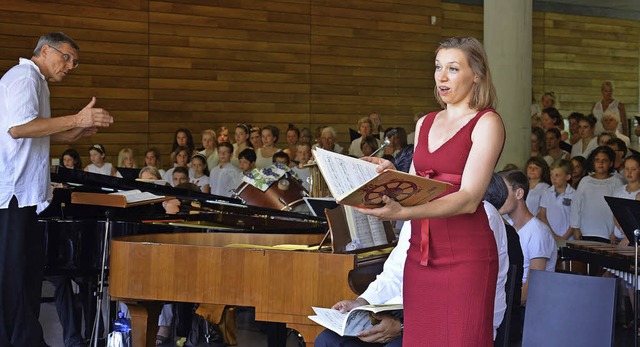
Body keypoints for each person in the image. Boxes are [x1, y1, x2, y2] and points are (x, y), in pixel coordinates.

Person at [357, 36, 504, 346]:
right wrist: (387, 175)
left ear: (476, 74)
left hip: (467, 259)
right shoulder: (424, 123)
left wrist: (405, 213)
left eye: (453, 68)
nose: (442, 76)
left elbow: (469, 198)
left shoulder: (487, 122)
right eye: (438, 67)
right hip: (421, 257)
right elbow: (414, 188)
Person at [0, 32, 112, 347]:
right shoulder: (24, 77)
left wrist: (76, 130)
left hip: (28, 197)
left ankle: (25, 339)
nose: (71, 66)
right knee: (14, 280)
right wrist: (75, 117)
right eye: (67, 58)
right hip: (14, 197)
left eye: (75, 62)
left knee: (27, 278)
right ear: (46, 51)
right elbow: (19, 128)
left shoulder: (38, 82)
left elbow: (40, 132)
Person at [315, 173, 514, 346]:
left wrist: (401, 326)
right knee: (329, 341)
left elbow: (466, 296)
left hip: (451, 323)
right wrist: (361, 303)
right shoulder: (418, 212)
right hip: (404, 315)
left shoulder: (484, 215)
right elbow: (394, 273)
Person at [498, 170, 557, 306]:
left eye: (503, 191)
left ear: (519, 193)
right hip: (509, 299)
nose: (498, 197)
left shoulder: (538, 232)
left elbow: (532, 289)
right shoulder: (508, 226)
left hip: (528, 308)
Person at [569, 146, 624, 243]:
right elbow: (576, 205)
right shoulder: (585, 181)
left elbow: (619, 209)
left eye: (604, 160)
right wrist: (575, 227)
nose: (600, 163)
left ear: (611, 163)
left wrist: (615, 231)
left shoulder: (616, 182)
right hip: (586, 231)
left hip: (607, 232)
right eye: (597, 160)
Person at [537, 159, 575, 240]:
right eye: (551, 175)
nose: (553, 178)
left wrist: (564, 238)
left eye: (557, 175)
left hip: (568, 238)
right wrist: (552, 235)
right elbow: (542, 215)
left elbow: (575, 220)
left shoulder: (574, 194)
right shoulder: (547, 192)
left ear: (568, 177)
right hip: (549, 236)